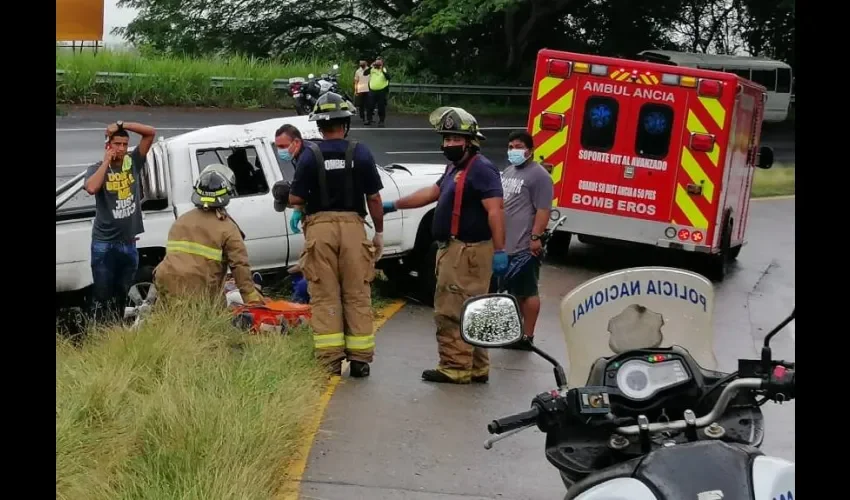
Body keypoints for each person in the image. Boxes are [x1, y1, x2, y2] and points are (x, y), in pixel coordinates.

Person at [383, 107, 508, 384]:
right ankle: (476, 366)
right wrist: (395, 204)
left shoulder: (482, 170)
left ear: (470, 141)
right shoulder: (457, 167)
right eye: (446, 139)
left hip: (466, 252)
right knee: (474, 308)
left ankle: (455, 367)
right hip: (458, 249)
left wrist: (500, 251)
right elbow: (433, 192)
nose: (449, 144)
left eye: (455, 139)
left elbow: (496, 211)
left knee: (452, 309)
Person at [288, 92, 386, 378]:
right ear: (346, 123)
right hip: (355, 228)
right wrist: (378, 233)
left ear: (319, 127)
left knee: (325, 294)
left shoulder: (309, 156)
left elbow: (295, 198)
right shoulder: (361, 152)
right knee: (357, 293)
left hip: (319, 229)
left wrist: (303, 204)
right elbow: (375, 199)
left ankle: (330, 360)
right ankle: (360, 361)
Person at [153, 164, 264, 305]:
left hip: (165, 282)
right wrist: (251, 298)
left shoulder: (181, 220)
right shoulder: (228, 228)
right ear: (227, 194)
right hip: (200, 289)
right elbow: (239, 266)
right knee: (216, 318)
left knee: (170, 319)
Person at [83, 120, 156, 324]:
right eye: (117, 144)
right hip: (104, 244)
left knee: (122, 294)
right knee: (102, 294)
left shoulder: (132, 163)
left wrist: (121, 123)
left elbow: (150, 133)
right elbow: (91, 188)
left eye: (125, 144)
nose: (122, 149)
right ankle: (100, 330)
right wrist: (107, 161)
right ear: (109, 146)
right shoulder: (97, 168)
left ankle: (116, 331)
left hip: (128, 243)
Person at [498, 130, 554, 351]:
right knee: (513, 291)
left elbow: (543, 209)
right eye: (511, 146)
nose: (514, 150)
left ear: (530, 150)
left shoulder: (539, 176)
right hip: (507, 243)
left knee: (527, 291)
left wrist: (535, 237)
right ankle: (515, 332)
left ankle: (527, 336)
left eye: (519, 146)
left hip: (524, 244)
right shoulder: (510, 170)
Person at [363, 57, 391, 127]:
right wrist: (370, 67)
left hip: (382, 91)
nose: (377, 64)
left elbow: (388, 77)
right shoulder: (372, 69)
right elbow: (365, 73)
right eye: (376, 63)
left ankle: (381, 121)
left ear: (382, 63)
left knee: (381, 106)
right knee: (370, 106)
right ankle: (369, 120)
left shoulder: (384, 69)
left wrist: (381, 69)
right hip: (372, 91)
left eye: (379, 63)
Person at [353, 60, 370, 124]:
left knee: (368, 105)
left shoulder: (369, 70)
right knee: (361, 105)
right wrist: (356, 90)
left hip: (368, 89)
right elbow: (356, 81)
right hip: (360, 90)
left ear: (366, 63)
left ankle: (368, 118)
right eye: (360, 63)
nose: (361, 64)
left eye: (363, 63)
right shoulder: (358, 71)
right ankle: (362, 116)